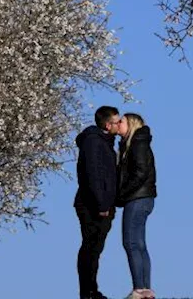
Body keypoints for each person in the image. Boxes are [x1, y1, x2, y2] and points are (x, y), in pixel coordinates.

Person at [75, 105, 122, 299]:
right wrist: (102, 204)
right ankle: (88, 292)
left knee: (94, 248)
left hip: (98, 203)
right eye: (117, 121)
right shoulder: (95, 142)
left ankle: (90, 290)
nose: (120, 124)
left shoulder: (104, 141)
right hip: (93, 205)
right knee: (91, 248)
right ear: (107, 124)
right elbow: (93, 174)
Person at [115, 113, 156, 299]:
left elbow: (140, 172)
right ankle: (145, 289)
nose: (118, 124)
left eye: (121, 122)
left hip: (137, 198)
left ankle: (139, 289)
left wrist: (122, 193)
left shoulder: (137, 144)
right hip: (143, 198)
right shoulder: (134, 144)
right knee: (139, 244)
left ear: (130, 124)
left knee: (131, 242)